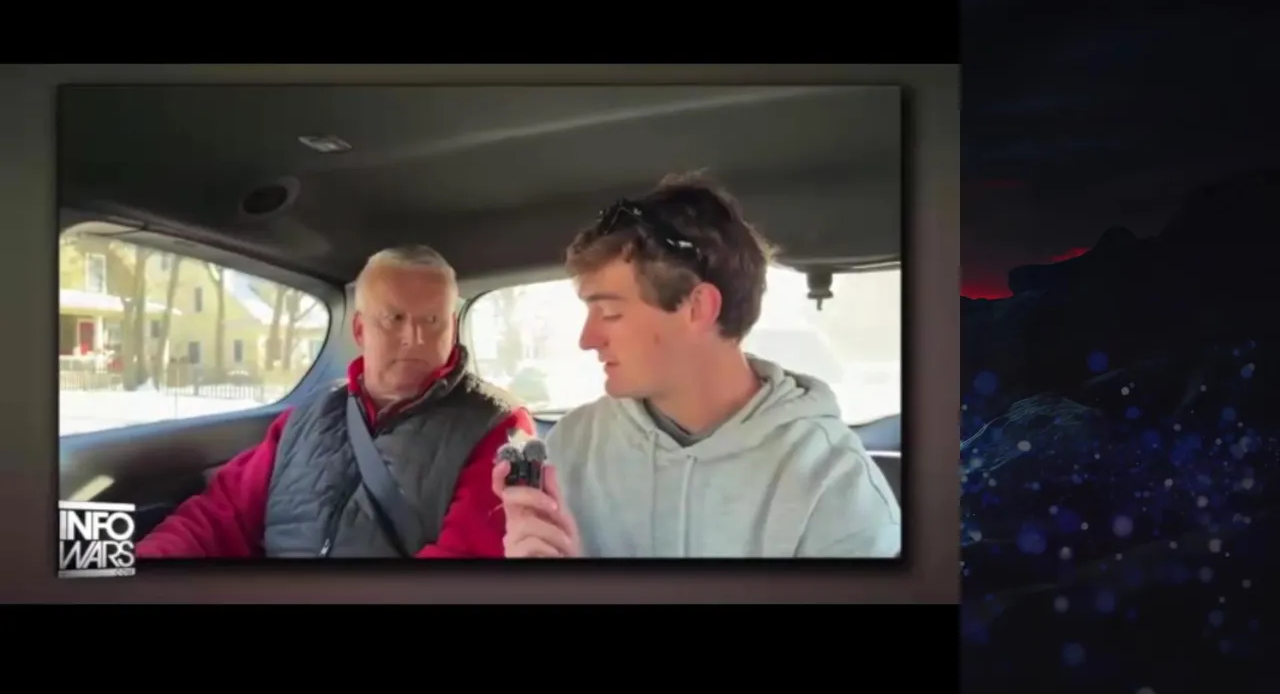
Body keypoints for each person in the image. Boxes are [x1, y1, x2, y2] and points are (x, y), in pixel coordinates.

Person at [494, 172, 901, 558]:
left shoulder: (834, 486)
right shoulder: (571, 447)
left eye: (611, 313)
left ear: (698, 308)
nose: (587, 339)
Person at [137, 245, 533, 558]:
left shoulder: (499, 427)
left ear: (452, 328)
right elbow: (218, 517)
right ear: (360, 329)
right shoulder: (304, 419)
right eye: (394, 318)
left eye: (432, 321)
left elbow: (466, 564)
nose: (414, 338)